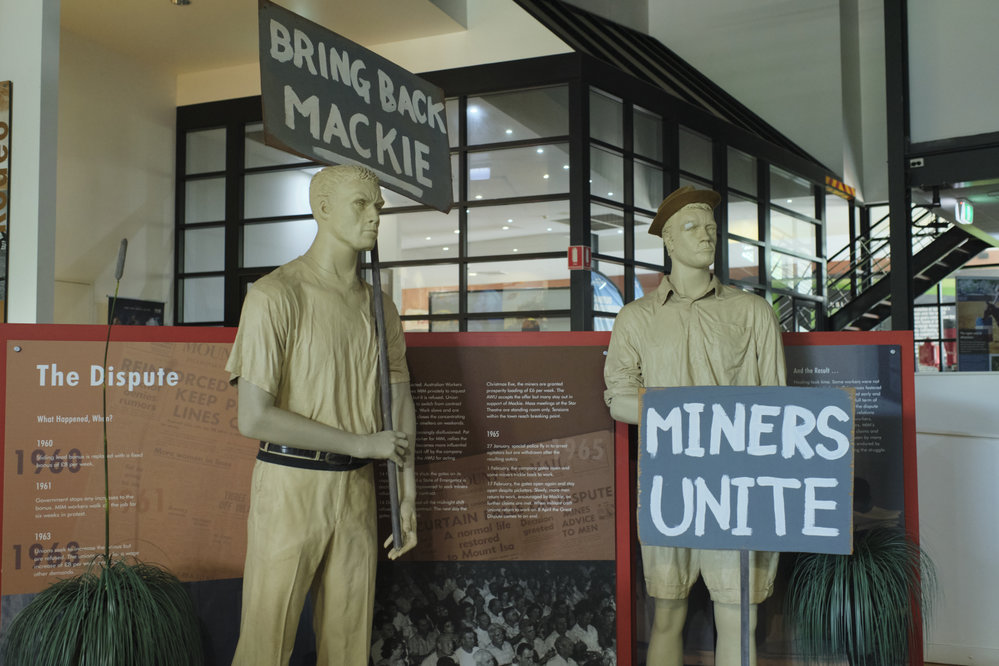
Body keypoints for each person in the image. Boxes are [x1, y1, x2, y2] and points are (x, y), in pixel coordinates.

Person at [226, 164, 418, 665]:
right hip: (291, 486)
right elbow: (254, 418)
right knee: (266, 643)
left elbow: (398, 396)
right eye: (362, 203)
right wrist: (361, 444)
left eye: (378, 205)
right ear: (323, 207)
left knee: (349, 644)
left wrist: (407, 488)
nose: (375, 215)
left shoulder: (380, 308)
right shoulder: (275, 295)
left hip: (356, 492)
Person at [603, 186, 785, 666]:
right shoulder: (635, 319)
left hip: (740, 482)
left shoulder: (753, 313)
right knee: (666, 612)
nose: (706, 235)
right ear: (667, 241)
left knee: (738, 615)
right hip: (670, 481)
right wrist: (687, 415)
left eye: (711, 228)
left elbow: (777, 401)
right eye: (691, 227)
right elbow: (618, 398)